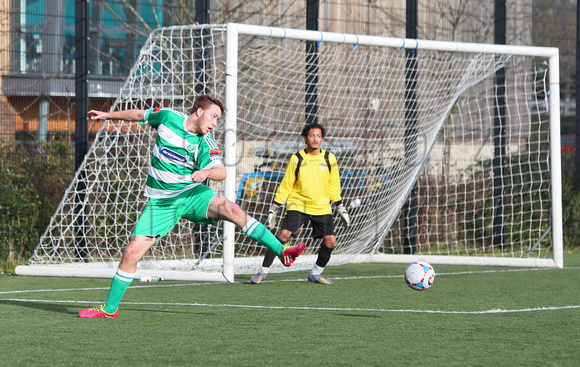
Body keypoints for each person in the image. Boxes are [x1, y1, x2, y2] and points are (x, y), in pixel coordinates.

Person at [79, 95, 305, 318]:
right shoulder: (167, 117)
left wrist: (207, 172)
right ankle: (110, 309)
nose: (215, 123)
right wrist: (108, 115)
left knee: (233, 210)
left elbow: (221, 172)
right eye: (213, 116)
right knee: (130, 253)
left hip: (192, 194)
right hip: (162, 203)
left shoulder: (205, 142)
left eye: (218, 119)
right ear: (199, 112)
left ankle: (281, 251)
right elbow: (139, 115)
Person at [250, 122, 350, 285]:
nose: (315, 139)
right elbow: (287, 185)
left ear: (322, 138)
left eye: (318, 136)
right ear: (305, 138)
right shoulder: (297, 158)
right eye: (311, 135)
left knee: (330, 241)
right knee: (283, 235)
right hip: (298, 204)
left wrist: (340, 206)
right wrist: (274, 207)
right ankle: (263, 271)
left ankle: (316, 273)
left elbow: (334, 185)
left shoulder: (329, 158)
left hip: (321, 206)